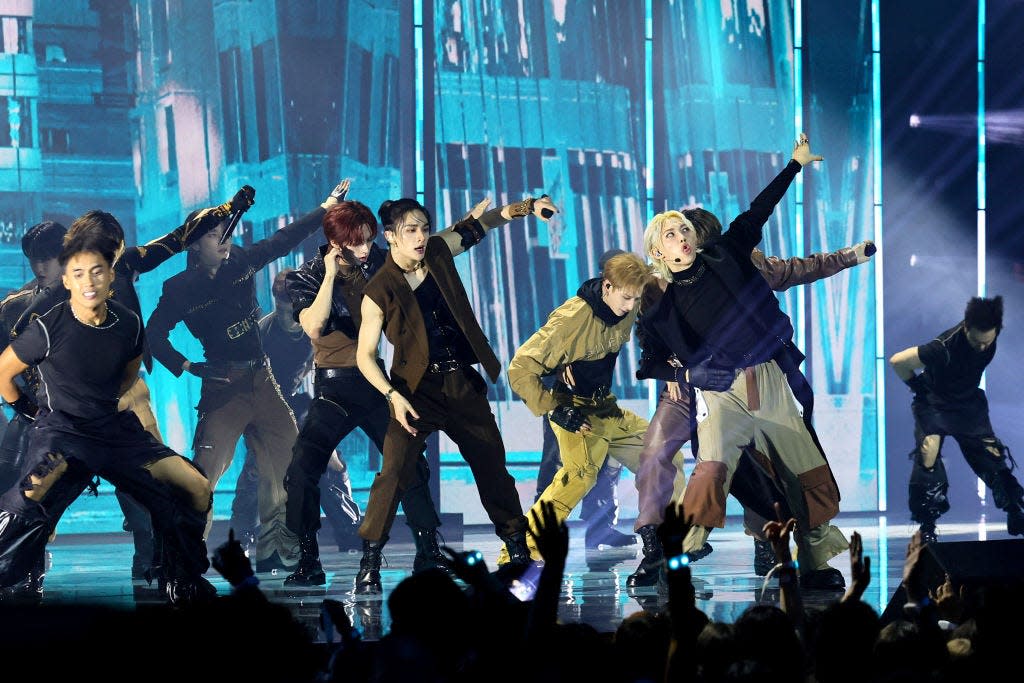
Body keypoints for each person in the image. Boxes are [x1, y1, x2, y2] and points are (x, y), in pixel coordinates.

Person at [635, 134, 849, 589]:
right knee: (711, 471)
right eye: (670, 234)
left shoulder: (727, 254)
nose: (682, 238)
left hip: (767, 377)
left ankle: (815, 562)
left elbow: (758, 211)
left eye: (685, 230)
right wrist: (685, 373)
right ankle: (678, 559)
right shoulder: (659, 302)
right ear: (658, 252)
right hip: (720, 390)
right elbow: (649, 359)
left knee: (803, 467)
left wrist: (793, 165)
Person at [0, 227, 215, 605]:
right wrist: (31, 411)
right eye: (79, 274)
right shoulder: (43, 326)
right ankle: (15, 577)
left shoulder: (128, 323)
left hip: (114, 429)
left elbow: (128, 375)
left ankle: (179, 576)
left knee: (192, 487)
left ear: (111, 273)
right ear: (66, 279)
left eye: (97, 271)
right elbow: (4, 372)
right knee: (28, 505)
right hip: (62, 433)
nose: (89, 282)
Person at [354, 194, 557, 592]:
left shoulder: (436, 253)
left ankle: (517, 547)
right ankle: (371, 558)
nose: (419, 236)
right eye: (410, 230)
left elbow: (478, 227)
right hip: (413, 392)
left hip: (460, 384)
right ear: (391, 236)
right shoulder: (378, 289)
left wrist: (526, 207)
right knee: (393, 472)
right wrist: (393, 397)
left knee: (492, 464)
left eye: (424, 228)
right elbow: (364, 356)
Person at [146, 179, 350, 572]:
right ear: (192, 244)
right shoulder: (179, 289)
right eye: (212, 236)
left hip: (264, 380)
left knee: (288, 467)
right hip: (223, 389)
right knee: (201, 478)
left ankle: (277, 553)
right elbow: (154, 334)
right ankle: (181, 555)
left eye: (225, 232)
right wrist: (187, 366)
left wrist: (325, 207)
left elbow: (283, 240)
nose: (223, 240)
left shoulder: (239, 260)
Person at [281, 199, 445, 587]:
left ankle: (428, 551)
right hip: (333, 387)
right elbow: (315, 328)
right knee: (302, 469)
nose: (365, 249)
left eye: (369, 240)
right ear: (336, 243)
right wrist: (327, 275)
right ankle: (308, 560)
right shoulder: (303, 277)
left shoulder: (379, 263)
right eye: (356, 243)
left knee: (410, 460)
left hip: (375, 383)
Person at [501, 252, 682, 563]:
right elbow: (520, 367)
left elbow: (655, 320)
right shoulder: (572, 319)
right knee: (579, 475)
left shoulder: (632, 301)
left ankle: (668, 542)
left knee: (666, 455)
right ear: (607, 287)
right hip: (573, 409)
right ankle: (518, 552)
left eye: (635, 299)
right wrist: (554, 409)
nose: (630, 306)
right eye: (626, 298)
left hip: (606, 408)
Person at [889, 295, 1024, 543]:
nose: (982, 347)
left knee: (991, 453)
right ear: (965, 327)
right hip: (934, 402)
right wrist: (916, 386)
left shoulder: (990, 333)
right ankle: (927, 524)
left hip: (967, 403)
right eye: (976, 341)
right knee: (929, 449)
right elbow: (898, 361)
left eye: (987, 342)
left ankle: (1015, 510)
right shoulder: (943, 347)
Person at [532, 248, 636, 551]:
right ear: (606, 278)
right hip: (564, 397)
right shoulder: (577, 307)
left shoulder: (624, 305)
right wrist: (559, 364)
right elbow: (543, 348)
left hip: (597, 397)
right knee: (556, 462)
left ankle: (601, 530)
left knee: (604, 461)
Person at [0, 221, 67, 494]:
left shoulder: (94, 300)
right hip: (34, 414)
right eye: (34, 260)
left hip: (89, 415)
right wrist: (27, 409)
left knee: (141, 494)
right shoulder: (14, 307)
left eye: (47, 259)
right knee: (8, 486)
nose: (40, 268)